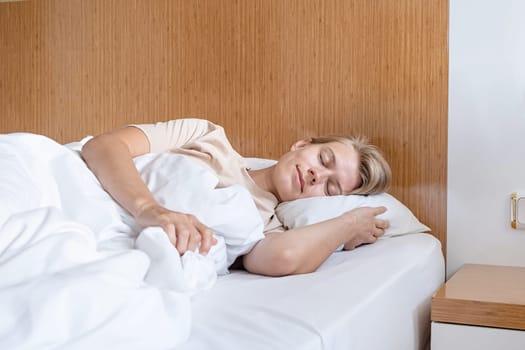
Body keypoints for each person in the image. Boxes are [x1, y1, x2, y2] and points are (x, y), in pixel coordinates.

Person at [81, 118, 391, 276]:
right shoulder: (206, 135)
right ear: (301, 145)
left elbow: (286, 257)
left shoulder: (266, 225)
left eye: (330, 188)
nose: (316, 176)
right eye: (323, 160)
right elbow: (103, 147)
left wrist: (349, 223)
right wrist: (148, 209)